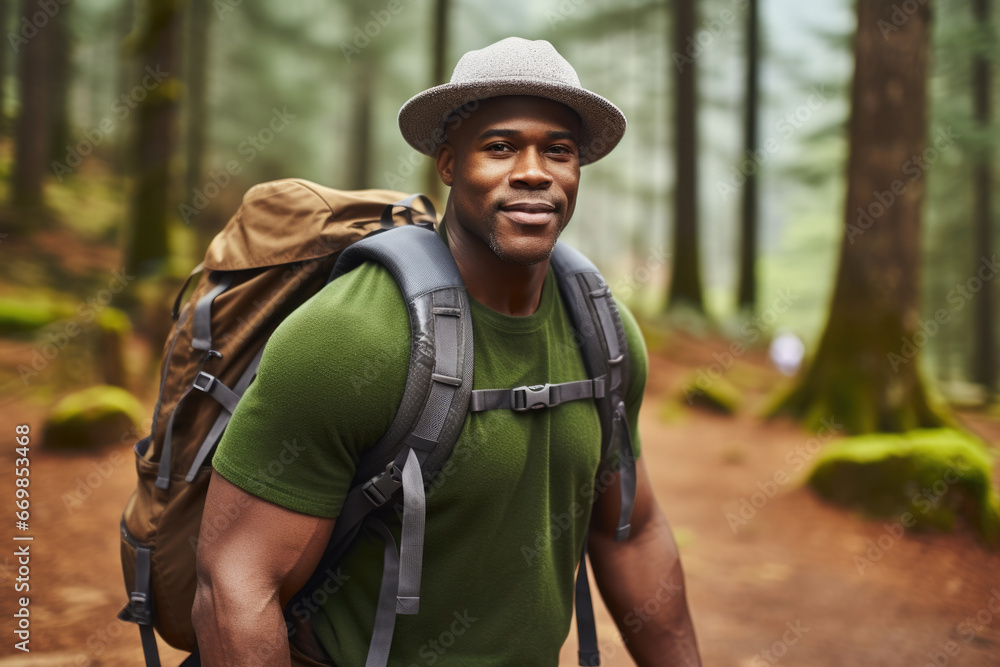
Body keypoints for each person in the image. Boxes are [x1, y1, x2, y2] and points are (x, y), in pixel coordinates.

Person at [191, 37, 701, 666]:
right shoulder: (350, 337)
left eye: (558, 151)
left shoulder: (605, 335)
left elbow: (632, 530)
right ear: (449, 163)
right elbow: (235, 584)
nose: (535, 171)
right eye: (501, 147)